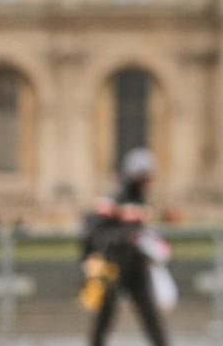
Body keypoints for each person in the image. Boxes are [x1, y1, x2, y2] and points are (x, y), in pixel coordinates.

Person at [79, 148, 172, 346]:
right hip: (114, 266)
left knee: (150, 315)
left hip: (136, 266)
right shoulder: (115, 201)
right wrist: (122, 238)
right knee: (105, 316)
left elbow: (141, 232)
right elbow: (96, 232)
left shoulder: (140, 201)